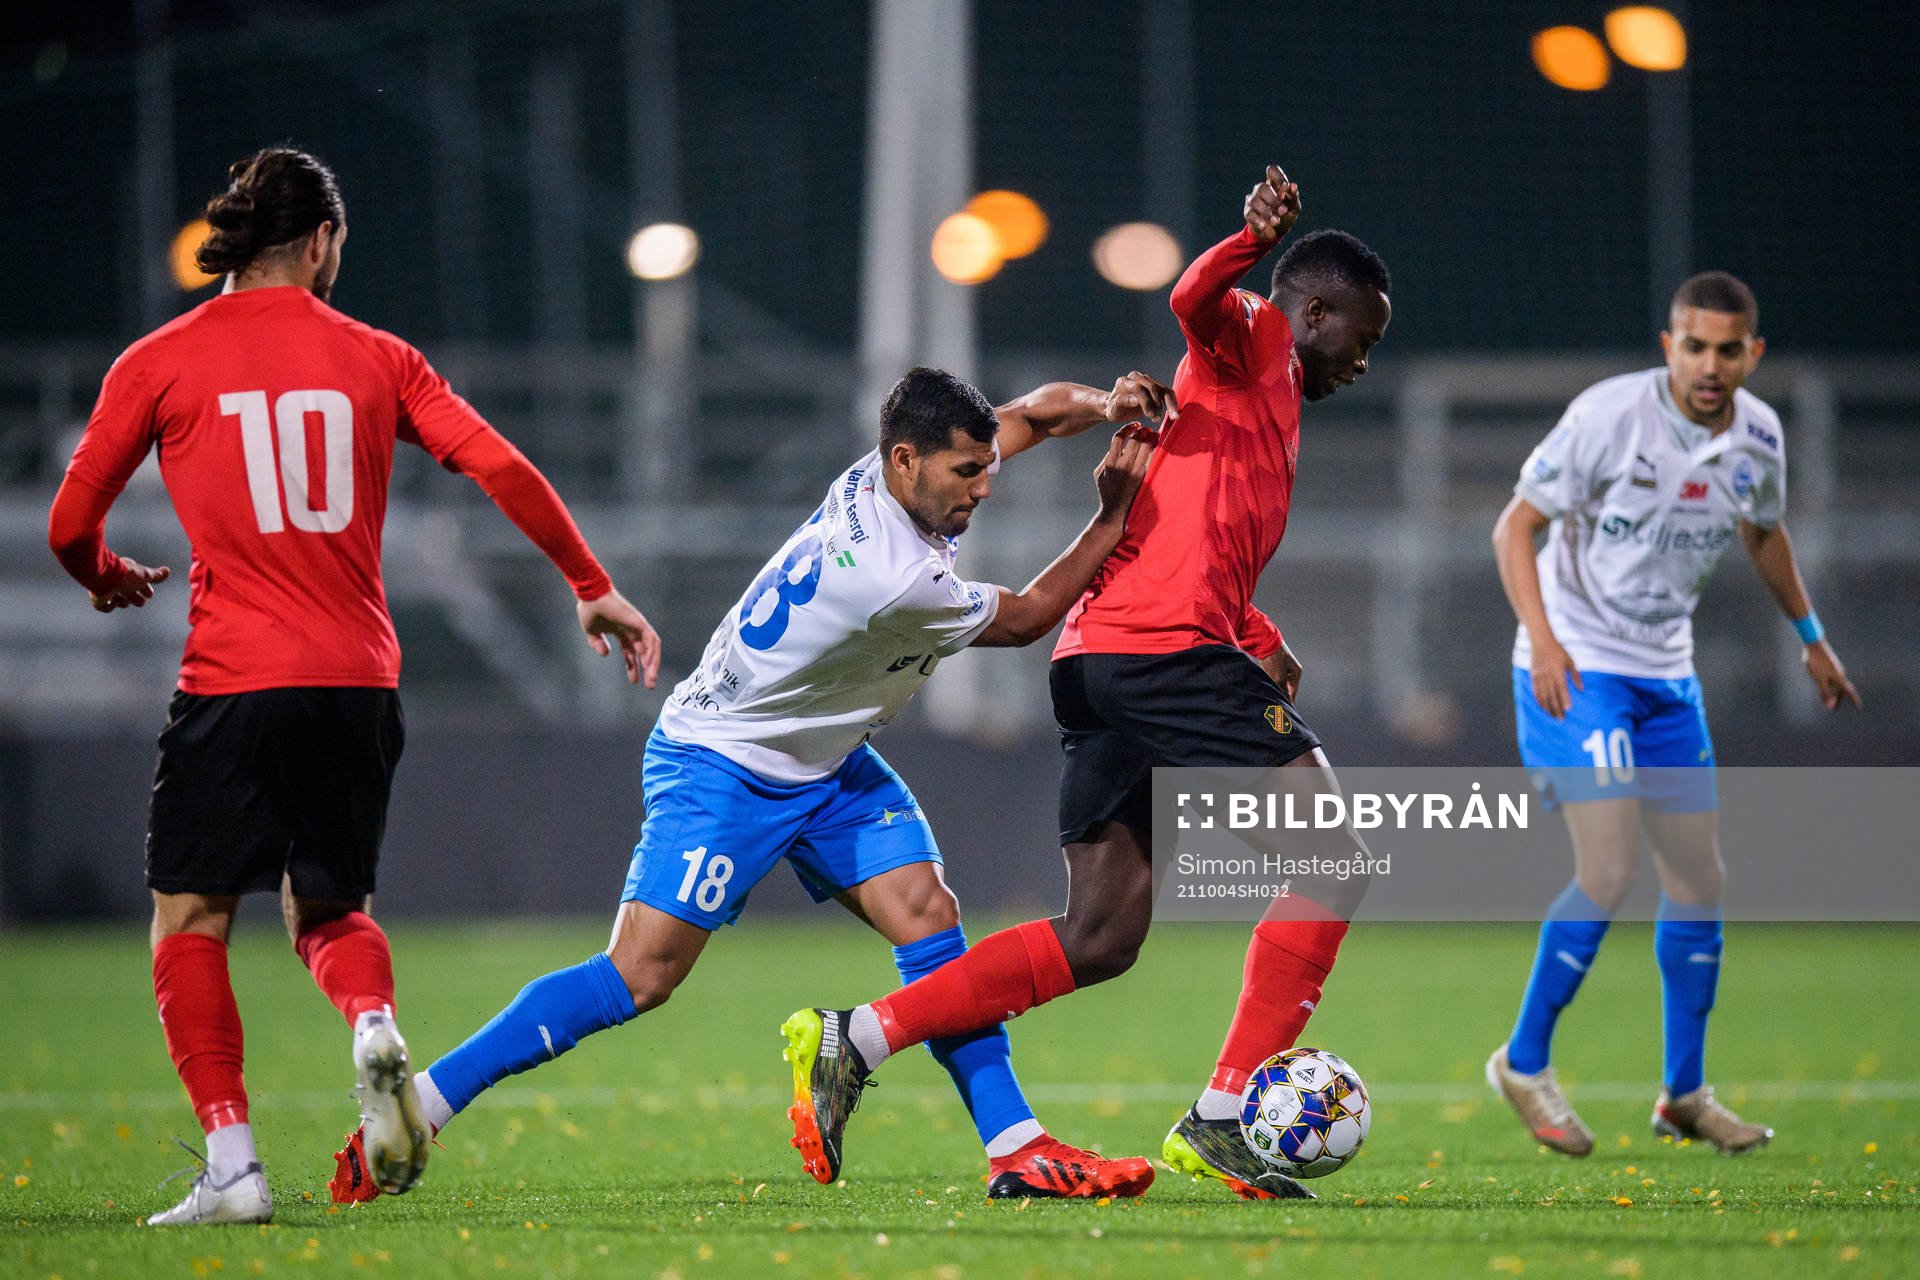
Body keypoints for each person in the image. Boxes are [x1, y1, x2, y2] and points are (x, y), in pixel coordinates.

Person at [329, 365, 1170, 1203]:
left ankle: (1013, 1146)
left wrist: (1107, 406)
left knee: (929, 915)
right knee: (639, 976)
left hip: (826, 759)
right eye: (967, 472)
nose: (985, 487)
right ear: (907, 460)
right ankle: (421, 1104)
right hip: (723, 765)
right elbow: (1024, 618)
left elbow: (1029, 414)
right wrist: (1112, 516)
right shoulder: (889, 575)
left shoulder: (889, 478)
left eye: (988, 467)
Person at [47, 147, 661, 1226]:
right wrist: (590, 582)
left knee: (190, 916)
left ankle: (233, 1163)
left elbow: (68, 525)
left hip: (233, 677)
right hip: (358, 682)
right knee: (330, 907)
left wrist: (105, 579)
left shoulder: (159, 359)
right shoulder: (380, 357)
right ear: (323, 240)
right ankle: (372, 1022)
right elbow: (500, 464)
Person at [786, 165, 1394, 1202]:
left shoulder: (1267, 403)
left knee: (1102, 934)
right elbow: (1193, 300)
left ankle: (857, 1035)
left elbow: (1202, 538)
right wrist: (1244, 243)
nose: (1363, 363)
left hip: (1103, 654)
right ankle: (1223, 1114)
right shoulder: (1256, 332)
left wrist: (1260, 631)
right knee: (1333, 852)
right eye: (1361, 338)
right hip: (1160, 651)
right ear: (1318, 312)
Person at [1484, 271, 1859, 1156]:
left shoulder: (1759, 436)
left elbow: (1762, 531)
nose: (1711, 364)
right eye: (1695, 345)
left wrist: (1810, 636)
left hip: (1666, 678)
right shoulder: (1611, 416)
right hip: (1578, 670)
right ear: (1670, 347)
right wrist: (1542, 640)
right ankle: (1523, 1062)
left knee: (1699, 880)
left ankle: (1684, 1094)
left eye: (1730, 350)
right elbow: (1514, 527)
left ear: (1752, 355)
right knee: (1610, 866)